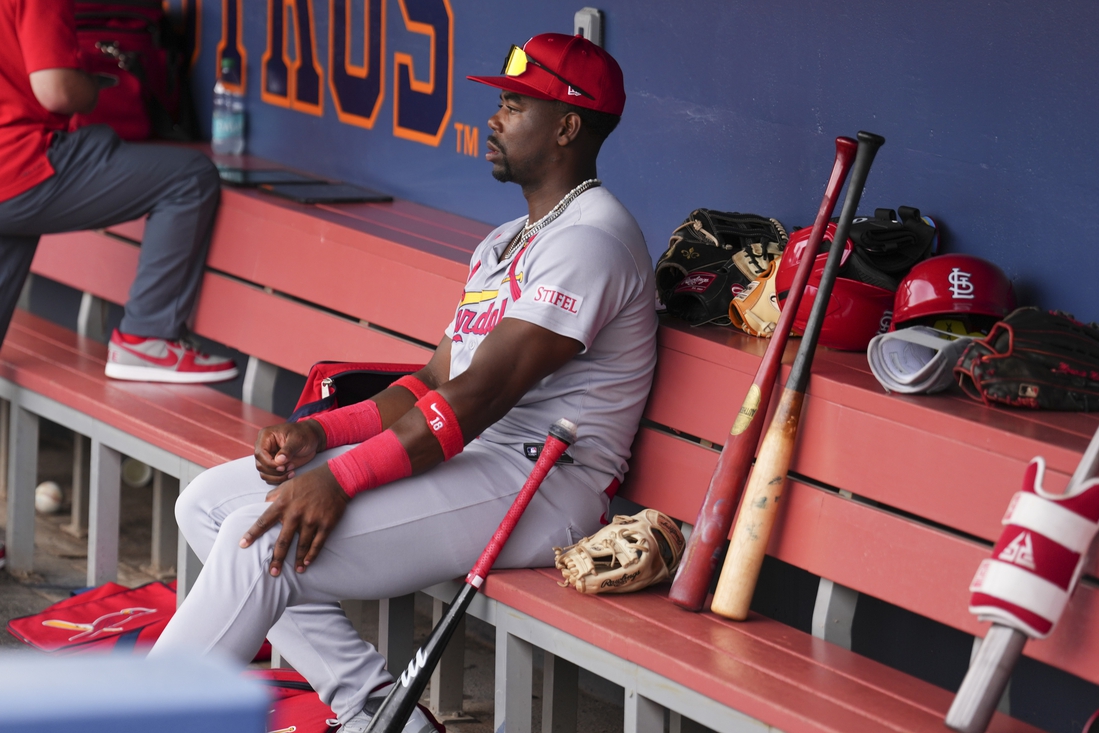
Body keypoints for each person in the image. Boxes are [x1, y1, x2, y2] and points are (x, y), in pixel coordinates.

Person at [150, 33, 657, 733]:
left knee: (263, 538)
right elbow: (433, 381)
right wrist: (319, 433)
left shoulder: (590, 241)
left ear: (567, 127)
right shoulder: (508, 239)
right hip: (478, 458)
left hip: (543, 484)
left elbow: (476, 398)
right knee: (206, 504)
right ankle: (376, 711)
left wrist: (340, 478)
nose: (495, 118)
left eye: (515, 106)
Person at [0, 0, 237, 383]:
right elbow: (57, 91)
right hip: (21, 163)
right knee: (190, 177)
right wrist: (90, 88)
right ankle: (146, 337)